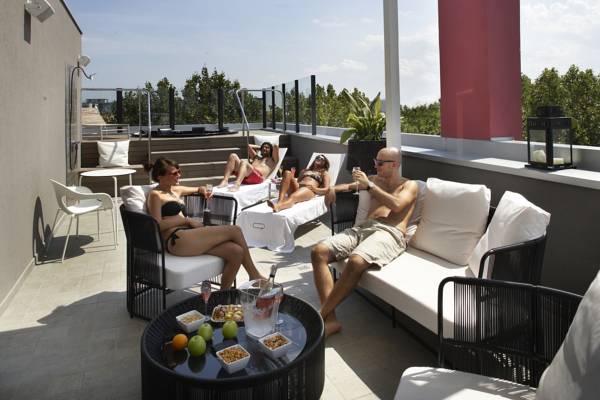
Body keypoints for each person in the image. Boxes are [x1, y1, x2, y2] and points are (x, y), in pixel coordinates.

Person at [311, 147, 418, 337]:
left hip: (390, 232)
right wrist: (333, 189)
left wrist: (369, 185)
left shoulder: (409, 185)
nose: (375, 166)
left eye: (380, 163)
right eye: (375, 162)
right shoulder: (375, 180)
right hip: (364, 228)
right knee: (318, 252)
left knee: (356, 260)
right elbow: (349, 186)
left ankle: (319, 316)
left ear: (394, 164)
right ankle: (330, 320)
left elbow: (397, 205)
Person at [145, 158, 265, 288]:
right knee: (235, 230)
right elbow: (156, 225)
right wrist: (186, 220)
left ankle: (222, 296)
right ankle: (254, 275)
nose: (179, 175)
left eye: (179, 171)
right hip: (176, 239)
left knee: (236, 252)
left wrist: (203, 190)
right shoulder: (155, 195)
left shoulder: (175, 190)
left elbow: (198, 188)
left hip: (190, 236)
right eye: (174, 173)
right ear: (160, 176)